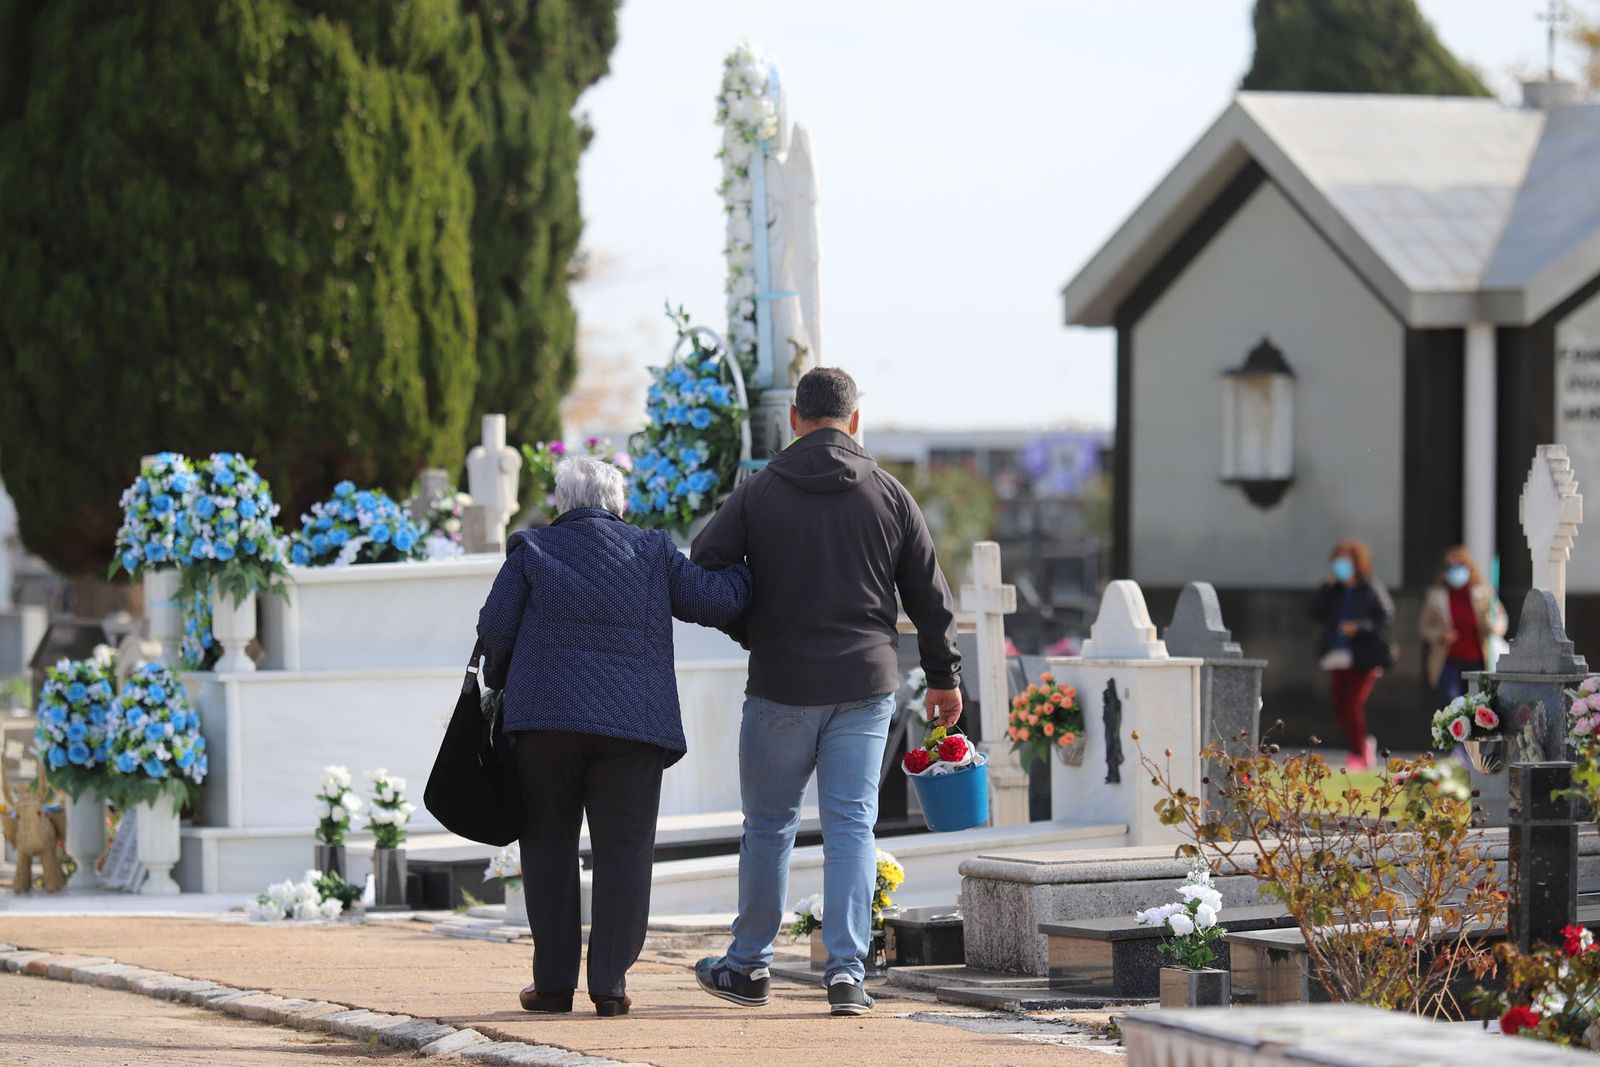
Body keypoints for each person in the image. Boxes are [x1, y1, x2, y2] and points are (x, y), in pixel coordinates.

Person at [689, 367, 962, 1017]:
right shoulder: (891, 494)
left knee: (769, 826)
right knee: (850, 827)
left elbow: (703, 568)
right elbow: (931, 597)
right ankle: (846, 974)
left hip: (782, 682)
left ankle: (749, 964)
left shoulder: (759, 492)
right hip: (866, 685)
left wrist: (751, 626)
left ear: (794, 419)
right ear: (855, 419)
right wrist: (945, 678)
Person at [476, 456, 752, 1018]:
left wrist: (508, 684)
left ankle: (552, 987)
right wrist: (752, 568)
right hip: (631, 728)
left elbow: (494, 631)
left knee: (548, 850)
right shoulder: (650, 551)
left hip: (545, 726)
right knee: (625, 853)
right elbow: (714, 601)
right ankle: (610, 985)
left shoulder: (531, 549)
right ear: (618, 503)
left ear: (562, 503)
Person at [1309, 538, 1394, 771]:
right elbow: (1315, 612)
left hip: (1363, 656)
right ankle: (1362, 744)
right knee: (1339, 706)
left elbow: (1385, 617)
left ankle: (1358, 753)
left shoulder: (1370, 588)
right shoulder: (1334, 589)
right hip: (1336, 654)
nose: (1341, 564)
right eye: (1338, 560)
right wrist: (1327, 586)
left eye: (1346, 559)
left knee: (1352, 704)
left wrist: (1359, 627)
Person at [1418, 545, 1507, 707]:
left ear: (1468, 567)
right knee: (1453, 705)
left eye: (1459, 566)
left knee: (1479, 707)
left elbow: (1501, 617)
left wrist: (1495, 627)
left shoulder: (1483, 592)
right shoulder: (1436, 595)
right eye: (1450, 567)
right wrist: (1440, 635)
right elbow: (1424, 627)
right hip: (1449, 660)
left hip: (1479, 661)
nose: (1455, 570)